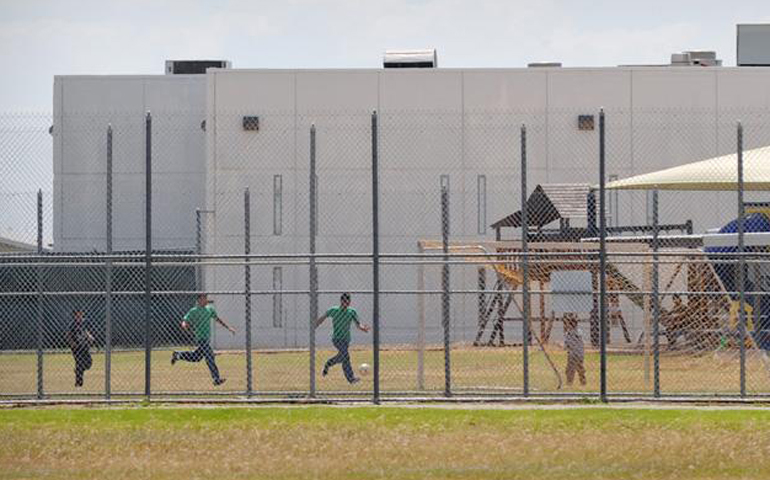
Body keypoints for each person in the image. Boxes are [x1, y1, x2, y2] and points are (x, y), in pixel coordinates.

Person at [171, 293, 236, 386]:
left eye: (206, 298)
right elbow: (185, 320)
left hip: (207, 338)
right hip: (201, 338)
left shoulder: (209, 309)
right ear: (199, 300)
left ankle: (178, 355)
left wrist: (228, 328)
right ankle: (216, 379)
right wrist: (184, 325)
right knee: (210, 357)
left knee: (196, 357)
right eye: (204, 298)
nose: (206, 299)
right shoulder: (194, 311)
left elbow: (217, 319)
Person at [316, 293, 370, 383]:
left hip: (346, 339)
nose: (346, 303)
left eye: (348, 301)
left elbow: (358, 324)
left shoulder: (351, 312)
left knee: (343, 357)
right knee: (346, 357)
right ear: (341, 301)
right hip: (337, 339)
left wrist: (363, 328)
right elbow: (323, 317)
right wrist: (316, 324)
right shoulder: (334, 310)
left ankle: (328, 363)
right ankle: (351, 379)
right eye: (344, 301)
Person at [66, 310, 94, 387]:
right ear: (75, 316)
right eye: (77, 315)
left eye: (80, 315)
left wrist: (90, 338)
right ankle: (79, 382)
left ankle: (78, 370)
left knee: (89, 363)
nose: (79, 317)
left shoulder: (86, 323)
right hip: (77, 348)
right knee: (79, 363)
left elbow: (89, 332)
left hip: (84, 346)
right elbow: (68, 336)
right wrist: (72, 344)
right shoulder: (73, 325)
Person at [563, 312, 586, 386]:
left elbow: (567, 345)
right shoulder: (579, 331)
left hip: (573, 354)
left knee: (570, 369)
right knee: (580, 368)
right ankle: (583, 381)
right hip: (580, 353)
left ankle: (569, 382)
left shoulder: (569, 333)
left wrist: (564, 346)